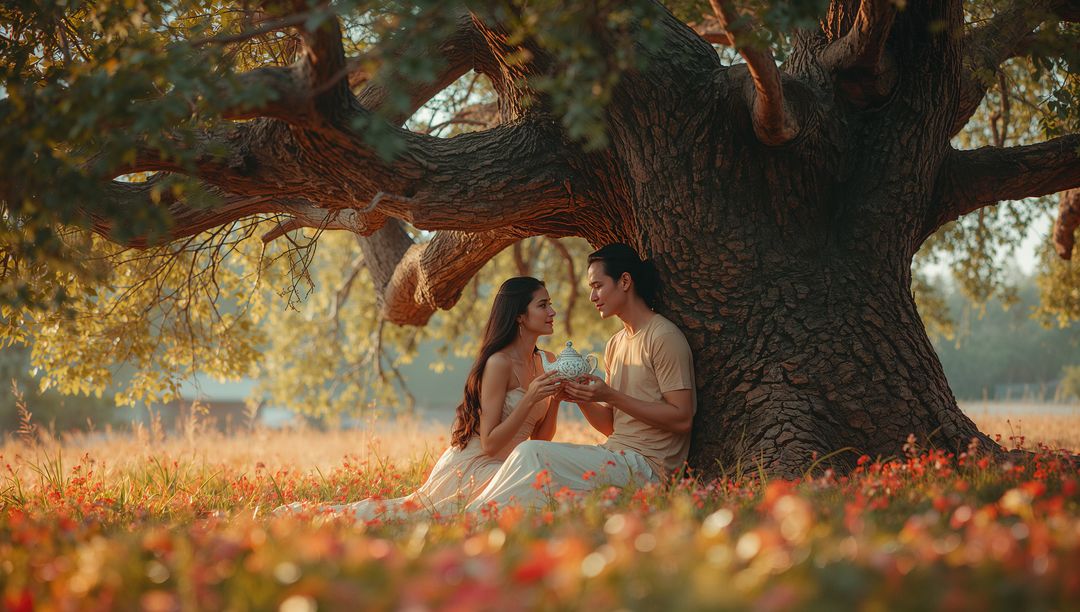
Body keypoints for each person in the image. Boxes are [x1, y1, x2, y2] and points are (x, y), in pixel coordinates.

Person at [274, 277, 563, 520]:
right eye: (543, 305)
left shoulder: (546, 360)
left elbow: (538, 441)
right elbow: (489, 444)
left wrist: (557, 400)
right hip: (476, 465)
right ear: (519, 315)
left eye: (550, 304)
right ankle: (311, 515)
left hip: (509, 465)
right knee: (412, 513)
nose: (552, 311)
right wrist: (530, 398)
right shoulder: (499, 363)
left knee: (542, 485)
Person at [465, 244, 696, 513]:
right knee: (536, 479)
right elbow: (612, 426)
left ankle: (472, 517)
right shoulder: (615, 344)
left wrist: (610, 394)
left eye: (597, 286)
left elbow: (682, 418)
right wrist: (582, 397)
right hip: (616, 455)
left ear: (624, 281)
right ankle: (480, 515)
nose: (592, 296)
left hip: (648, 468)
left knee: (532, 453)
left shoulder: (663, 337)